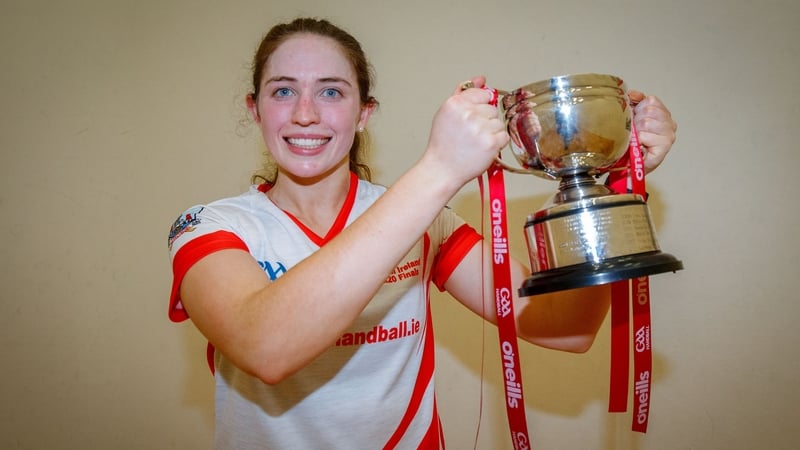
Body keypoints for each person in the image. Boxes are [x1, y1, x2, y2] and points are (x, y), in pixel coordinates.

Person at [166, 17, 677, 449]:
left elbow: (566, 329)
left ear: (364, 112)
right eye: (283, 91)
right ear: (255, 109)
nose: (305, 114)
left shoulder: (427, 220)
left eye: (330, 91)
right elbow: (266, 348)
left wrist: (606, 185)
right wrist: (439, 170)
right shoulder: (210, 226)